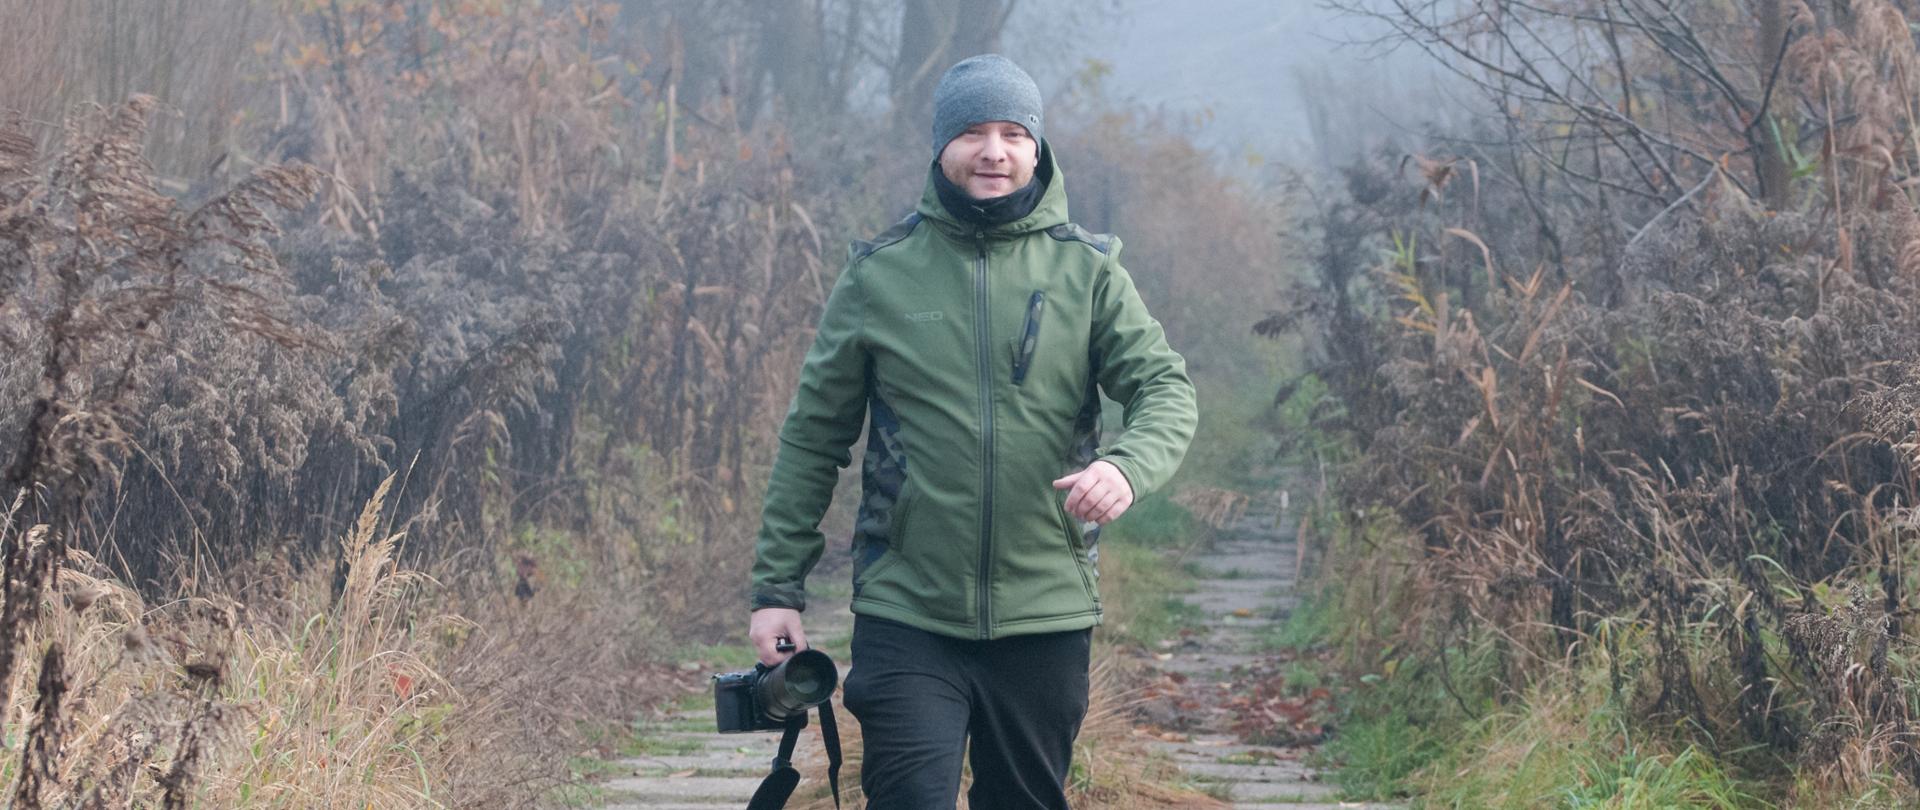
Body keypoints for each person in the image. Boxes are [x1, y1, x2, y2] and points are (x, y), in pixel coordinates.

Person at [747, 54, 1197, 809]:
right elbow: (814, 438)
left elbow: (1165, 389)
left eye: (1014, 132)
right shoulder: (879, 276)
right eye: (974, 132)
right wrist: (776, 589)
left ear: (1037, 148)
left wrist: (1124, 468)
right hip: (908, 608)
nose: (995, 150)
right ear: (941, 147)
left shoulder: (1089, 272)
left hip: (1045, 609)